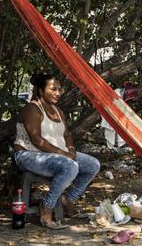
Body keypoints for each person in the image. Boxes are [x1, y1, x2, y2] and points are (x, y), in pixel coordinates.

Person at [13, 73, 100, 229]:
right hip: (29, 154)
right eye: (53, 89)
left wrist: (71, 149)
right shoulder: (32, 108)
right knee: (70, 166)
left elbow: (67, 134)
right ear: (41, 90)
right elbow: (37, 140)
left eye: (60, 89)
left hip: (55, 155)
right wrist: (65, 154)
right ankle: (46, 205)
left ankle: (68, 199)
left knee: (93, 164)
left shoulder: (58, 111)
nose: (58, 93)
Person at [101, 81, 138, 149]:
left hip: (120, 114)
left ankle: (120, 144)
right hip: (110, 111)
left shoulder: (128, 95)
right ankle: (110, 146)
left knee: (123, 127)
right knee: (110, 129)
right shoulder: (117, 91)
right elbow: (112, 103)